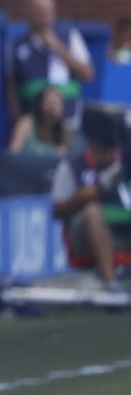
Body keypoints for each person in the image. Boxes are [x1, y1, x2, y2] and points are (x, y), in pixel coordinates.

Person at [52, 107, 130, 295]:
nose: (110, 154)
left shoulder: (124, 164)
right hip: (85, 238)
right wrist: (80, 196)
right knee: (93, 211)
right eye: (105, 149)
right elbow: (57, 211)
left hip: (123, 231)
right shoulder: (72, 166)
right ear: (94, 145)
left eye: (112, 149)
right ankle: (110, 283)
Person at [6, 0, 93, 126]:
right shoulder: (17, 45)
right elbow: (11, 85)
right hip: (32, 125)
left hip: (67, 122)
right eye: (39, 12)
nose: (44, 17)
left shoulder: (69, 36)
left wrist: (58, 48)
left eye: (48, 12)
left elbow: (88, 74)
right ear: (29, 13)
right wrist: (17, 119)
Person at [8, 85, 73, 157]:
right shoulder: (26, 123)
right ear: (40, 104)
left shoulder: (63, 128)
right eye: (49, 103)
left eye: (57, 103)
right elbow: (13, 153)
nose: (53, 107)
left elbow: (63, 156)